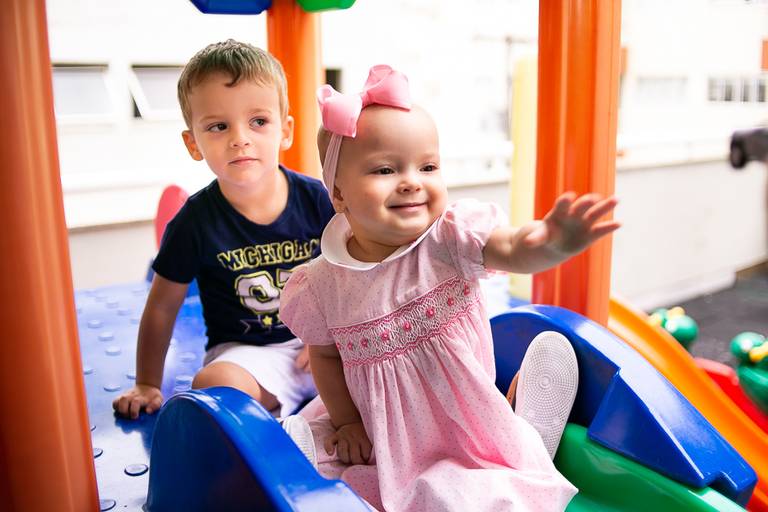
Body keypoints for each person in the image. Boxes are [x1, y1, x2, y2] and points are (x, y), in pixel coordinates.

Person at [280, 65, 620, 511]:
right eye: (385, 169)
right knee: (308, 455)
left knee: (451, 492)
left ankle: (519, 432)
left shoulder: (449, 240)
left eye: (427, 166)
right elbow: (325, 356)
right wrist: (346, 422)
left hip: (465, 432)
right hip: (381, 433)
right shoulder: (323, 283)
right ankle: (521, 429)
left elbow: (511, 248)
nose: (411, 181)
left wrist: (550, 244)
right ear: (338, 194)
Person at [112, 40, 333, 455]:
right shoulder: (194, 222)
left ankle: (314, 415)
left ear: (285, 130)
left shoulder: (317, 199)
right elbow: (161, 307)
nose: (240, 139)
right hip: (249, 356)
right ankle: (293, 420)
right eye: (218, 127)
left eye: (258, 121)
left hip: (325, 344)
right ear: (193, 143)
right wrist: (146, 383)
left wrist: (329, 335)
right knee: (212, 384)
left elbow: (352, 273)